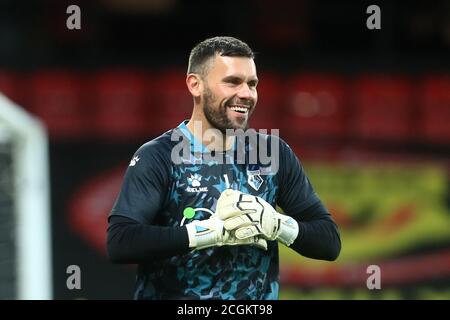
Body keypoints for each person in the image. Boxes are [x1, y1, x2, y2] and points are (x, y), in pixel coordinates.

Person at [107, 36, 341, 300]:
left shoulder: (272, 154)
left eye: (252, 84)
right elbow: (121, 242)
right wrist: (208, 233)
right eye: (232, 82)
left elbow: (329, 242)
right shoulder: (159, 156)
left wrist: (277, 224)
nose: (246, 94)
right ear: (195, 85)